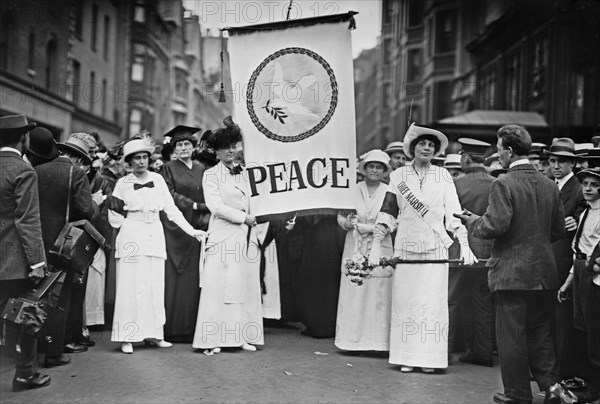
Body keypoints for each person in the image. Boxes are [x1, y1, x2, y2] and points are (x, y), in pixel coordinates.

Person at [457, 124, 567, 404]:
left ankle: (517, 394)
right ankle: (552, 388)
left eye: (498, 149)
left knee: (512, 336)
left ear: (507, 151)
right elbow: (557, 230)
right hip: (543, 272)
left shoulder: (503, 182)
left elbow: (495, 225)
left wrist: (473, 222)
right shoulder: (548, 184)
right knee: (540, 332)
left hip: (511, 273)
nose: (497, 154)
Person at [369, 123, 477, 373]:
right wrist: (376, 246)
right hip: (406, 249)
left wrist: (465, 245)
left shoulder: (443, 176)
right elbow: (388, 212)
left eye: (431, 145)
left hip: (434, 250)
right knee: (406, 305)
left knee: (431, 306)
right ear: (413, 148)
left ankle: (429, 359)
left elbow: (454, 213)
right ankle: (407, 356)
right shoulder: (399, 177)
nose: (427, 148)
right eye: (422, 144)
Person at [108, 137, 205, 354]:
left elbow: (172, 211)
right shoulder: (122, 183)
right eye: (137, 158)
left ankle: (154, 334)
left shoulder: (158, 180)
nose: (141, 162)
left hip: (154, 233)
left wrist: (192, 231)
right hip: (133, 234)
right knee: (131, 287)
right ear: (130, 162)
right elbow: (113, 215)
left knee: (154, 286)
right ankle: (127, 337)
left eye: (144, 157)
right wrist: (131, 227)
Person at [192, 117, 264, 354]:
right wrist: (243, 217)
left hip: (245, 235)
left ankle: (239, 336)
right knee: (218, 286)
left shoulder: (246, 172)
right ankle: (211, 339)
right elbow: (216, 206)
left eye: (234, 146)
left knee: (241, 284)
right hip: (223, 234)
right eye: (226, 148)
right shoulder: (211, 175)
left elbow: (256, 199)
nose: (231, 151)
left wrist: (254, 217)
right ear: (216, 152)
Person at [35, 132, 100, 366]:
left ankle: (34, 347)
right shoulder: (78, 173)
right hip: (64, 244)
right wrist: (95, 202)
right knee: (59, 298)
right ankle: (54, 352)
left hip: (36, 242)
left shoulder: (38, 169)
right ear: (80, 159)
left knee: (36, 295)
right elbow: (85, 211)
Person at [0, 114, 50, 392]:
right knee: (27, 314)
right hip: (15, 260)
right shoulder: (23, 170)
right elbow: (27, 220)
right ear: (24, 138)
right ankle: (25, 374)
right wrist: (37, 262)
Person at [335, 150, 394, 351]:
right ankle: (351, 341)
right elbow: (340, 215)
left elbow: (395, 218)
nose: (375, 170)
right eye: (371, 166)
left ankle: (378, 342)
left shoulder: (390, 191)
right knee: (355, 288)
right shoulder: (353, 189)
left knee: (378, 294)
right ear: (364, 169)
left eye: (379, 167)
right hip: (355, 244)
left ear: (385, 171)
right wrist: (348, 223)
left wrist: (378, 229)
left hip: (380, 245)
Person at [160, 125, 210, 341]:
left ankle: (192, 327)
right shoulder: (167, 168)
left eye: (187, 144)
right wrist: (195, 206)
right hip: (177, 229)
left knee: (195, 278)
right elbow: (168, 195)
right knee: (175, 278)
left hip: (199, 227)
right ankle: (173, 328)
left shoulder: (201, 169)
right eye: (179, 144)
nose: (183, 148)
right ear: (174, 148)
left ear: (193, 146)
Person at [557, 167, 600, 402]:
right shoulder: (585, 214)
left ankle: (596, 388)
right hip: (581, 276)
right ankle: (587, 381)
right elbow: (579, 250)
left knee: (595, 334)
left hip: (595, 281)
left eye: (594, 185)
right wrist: (568, 282)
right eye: (585, 184)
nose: (588, 189)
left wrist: (592, 267)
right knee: (582, 331)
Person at [546, 137, 587, 379]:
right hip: (547, 258)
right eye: (552, 161)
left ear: (572, 163)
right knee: (547, 317)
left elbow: (588, 210)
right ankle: (548, 367)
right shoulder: (549, 184)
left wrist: (577, 217)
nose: (556, 165)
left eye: (562, 161)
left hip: (564, 259)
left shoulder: (579, 188)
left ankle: (561, 370)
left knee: (562, 320)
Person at [452, 138, 495, 367]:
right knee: (483, 302)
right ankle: (482, 352)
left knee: (451, 301)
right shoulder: (496, 183)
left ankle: (444, 350)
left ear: (466, 158)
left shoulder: (455, 184)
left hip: (458, 251)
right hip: (487, 253)